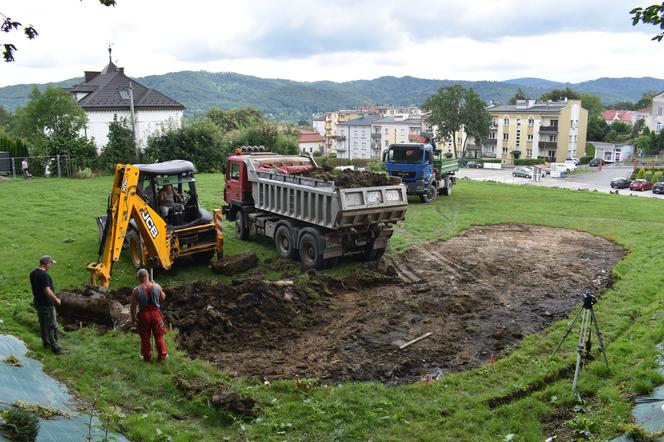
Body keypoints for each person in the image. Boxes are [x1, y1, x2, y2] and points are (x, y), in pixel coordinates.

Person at [130, 269, 168, 362]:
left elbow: (133, 306)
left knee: (145, 337)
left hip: (144, 316)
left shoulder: (136, 290)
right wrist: (158, 287)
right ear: (148, 276)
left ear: (139, 278)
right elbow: (163, 297)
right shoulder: (157, 286)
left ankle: (146, 356)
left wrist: (133, 318)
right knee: (159, 336)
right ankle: (162, 355)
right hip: (156, 315)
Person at [29, 256, 62, 354]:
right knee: (51, 325)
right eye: (51, 263)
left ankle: (46, 343)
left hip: (38, 303)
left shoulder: (33, 273)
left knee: (43, 324)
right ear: (47, 263)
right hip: (46, 304)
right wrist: (56, 300)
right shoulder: (44, 275)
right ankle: (55, 348)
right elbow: (47, 290)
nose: (51, 265)